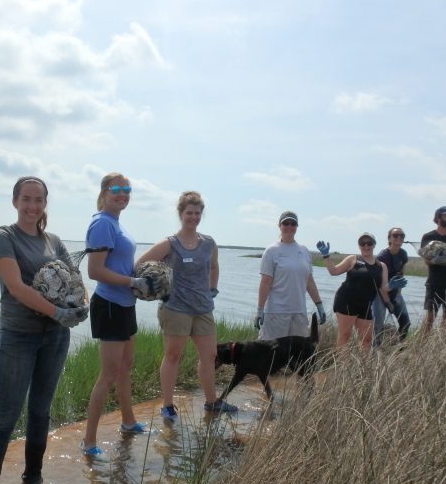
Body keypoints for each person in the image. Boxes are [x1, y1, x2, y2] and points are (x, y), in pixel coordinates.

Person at [0, 177, 89, 484]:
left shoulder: (53, 240)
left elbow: (76, 278)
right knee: (4, 419)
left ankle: (33, 480)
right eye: (26, 199)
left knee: (40, 411)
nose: (32, 206)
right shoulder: (4, 237)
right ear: (15, 201)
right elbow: (16, 288)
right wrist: (57, 312)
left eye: (39, 200)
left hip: (55, 337)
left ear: (45, 204)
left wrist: (81, 305)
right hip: (19, 336)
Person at [136, 191, 238, 422]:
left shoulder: (209, 243)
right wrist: (153, 286)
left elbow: (214, 267)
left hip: (203, 308)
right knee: (173, 355)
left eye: (197, 213)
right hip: (175, 308)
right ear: (180, 214)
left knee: (210, 355)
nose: (193, 217)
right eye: (189, 213)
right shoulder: (169, 243)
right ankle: (168, 406)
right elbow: (139, 265)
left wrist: (213, 289)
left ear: (201, 215)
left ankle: (212, 402)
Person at [79, 173, 154, 459]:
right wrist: (132, 282)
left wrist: (142, 278)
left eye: (127, 189)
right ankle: (88, 441)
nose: (123, 194)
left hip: (126, 303)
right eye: (117, 189)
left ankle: (128, 420)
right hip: (109, 304)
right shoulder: (101, 223)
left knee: (126, 366)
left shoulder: (115, 223)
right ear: (105, 193)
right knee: (108, 374)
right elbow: (94, 272)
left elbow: (120, 265)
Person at [255, 210, 326, 342]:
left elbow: (309, 281)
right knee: (273, 356)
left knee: (297, 355)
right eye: (285, 223)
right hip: (276, 312)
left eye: (293, 224)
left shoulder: (304, 251)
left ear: (297, 227)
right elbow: (265, 282)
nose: (289, 227)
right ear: (279, 226)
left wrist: (319, 305)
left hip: (299, 312)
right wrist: (259, 310)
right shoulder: (271, 250)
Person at [317, 234, 393, 350]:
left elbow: (384, 288)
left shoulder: (381, 266)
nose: (366, 246)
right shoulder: (353, 259)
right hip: (346, 301)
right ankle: (343, 367)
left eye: (369, 243)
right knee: (345, 336)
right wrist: (326, 256)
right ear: (359, 245)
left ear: (374, 244)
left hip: (365, 306)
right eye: (363, 243)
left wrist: (392, 286)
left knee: (366, 339)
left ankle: (363, 367)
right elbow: (334, 271)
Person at [371, 227, 410, 345]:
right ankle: (375, 352)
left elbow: (401, 275)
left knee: (405, 322)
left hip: (394, 290)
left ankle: (399, 349)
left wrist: (398, 295)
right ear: (389, 238)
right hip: (379, 292)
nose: (399, 237)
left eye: (402, 236)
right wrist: (388, 303)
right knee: (378, 326)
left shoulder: (403, 254)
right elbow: (379, 284)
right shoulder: (383, 256)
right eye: (395, 235)